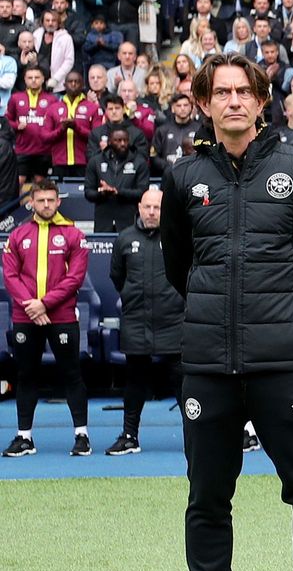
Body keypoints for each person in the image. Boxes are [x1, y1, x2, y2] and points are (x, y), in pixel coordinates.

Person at [158, 52, 293, 571]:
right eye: (222, 92)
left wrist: (283, 311)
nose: (234, 101)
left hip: (283, 358)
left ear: (261, 102)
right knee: (206, 493)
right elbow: (180, 268)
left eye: (245, 91)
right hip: (208, 361)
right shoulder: (184, 178)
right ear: (205, 103)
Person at [1, 178, 89, 458]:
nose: (47, 205)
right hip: (26, 316)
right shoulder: (17, 235)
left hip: (61, 315)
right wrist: (32, 306)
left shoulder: (73, 233)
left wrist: (44, 304)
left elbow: (75, 278)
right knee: (26, 375)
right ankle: (24, 437)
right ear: (32, 203)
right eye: (41, 200)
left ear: (58, 201)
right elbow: (10, 276)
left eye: (51, 200)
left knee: (71, 374)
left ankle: (81, 435)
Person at [105, 188, 182, 455]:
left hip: (174, 322)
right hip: (137, 321)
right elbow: (117, 278)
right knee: (135, 384)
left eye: (157, 207)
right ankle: (129, 436)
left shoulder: (179, 237)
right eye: (147, 207)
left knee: (184, 383)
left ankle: (196, 438)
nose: (151, 212)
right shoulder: (124, 239)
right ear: (139, 207)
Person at [84, 124, 149, 232]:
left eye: (125, 140)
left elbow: (142, 193)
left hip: (129, 221)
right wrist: (102, 193)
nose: (122, 144)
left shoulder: (139, 162)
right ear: (109, 142)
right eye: (118, 141)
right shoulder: (95, 162)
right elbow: (88, 192)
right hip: (103, 220)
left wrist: (118, 192)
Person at [7, 64, 58, 185]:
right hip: (22, 150)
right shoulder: (15, 98)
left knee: (40, 183)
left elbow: (57, 123)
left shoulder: (52, 99)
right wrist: (16, 126)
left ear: (43, 79)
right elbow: (7, 120)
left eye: (37, 77)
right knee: (18, 182)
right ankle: (15, 205)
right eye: (30, 77)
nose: (33, 80)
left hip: (44, 150)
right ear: (24, 79)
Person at [49, 69, 99, 177]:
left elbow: (97, 137)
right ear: (64, 85)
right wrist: (61, 129)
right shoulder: (53, 108)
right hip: (59, 161)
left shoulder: (92, 108)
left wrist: (76, 127)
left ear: (83, 85)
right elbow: (45, 136)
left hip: (84, 161)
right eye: (70, 81)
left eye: (77, 81)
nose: (73, 84)